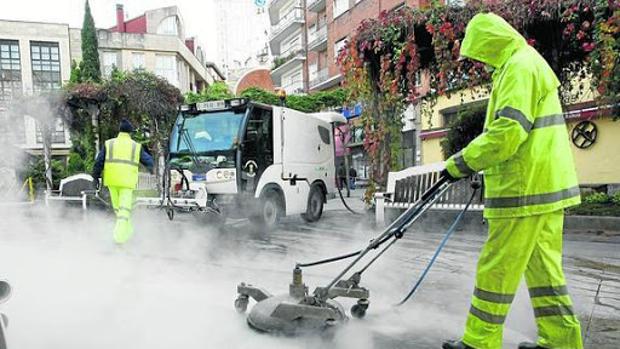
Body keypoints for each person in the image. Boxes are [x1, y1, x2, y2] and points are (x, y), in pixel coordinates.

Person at [440, 13, 583, 349]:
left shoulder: (518, 67)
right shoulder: (523, 63)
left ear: (491, 42)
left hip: (524, 189)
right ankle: (561, 341)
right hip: (545, 186)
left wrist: (460, 163)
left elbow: (508, 133)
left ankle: (479, 342)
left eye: (479, 53)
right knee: (545, 274)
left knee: (496, 269)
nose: (479, 62)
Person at [92, 119, 154, 245]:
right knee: (124, 211)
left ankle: (129, 233)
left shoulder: (109, 144)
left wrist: (95, 177)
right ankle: (119, 239)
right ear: (130, 132)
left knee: (118, 210)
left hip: (112, 182)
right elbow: (150, 162)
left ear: (119, 131)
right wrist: (152, 171)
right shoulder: (135, 146)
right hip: (127, 183)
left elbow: (98, 162)